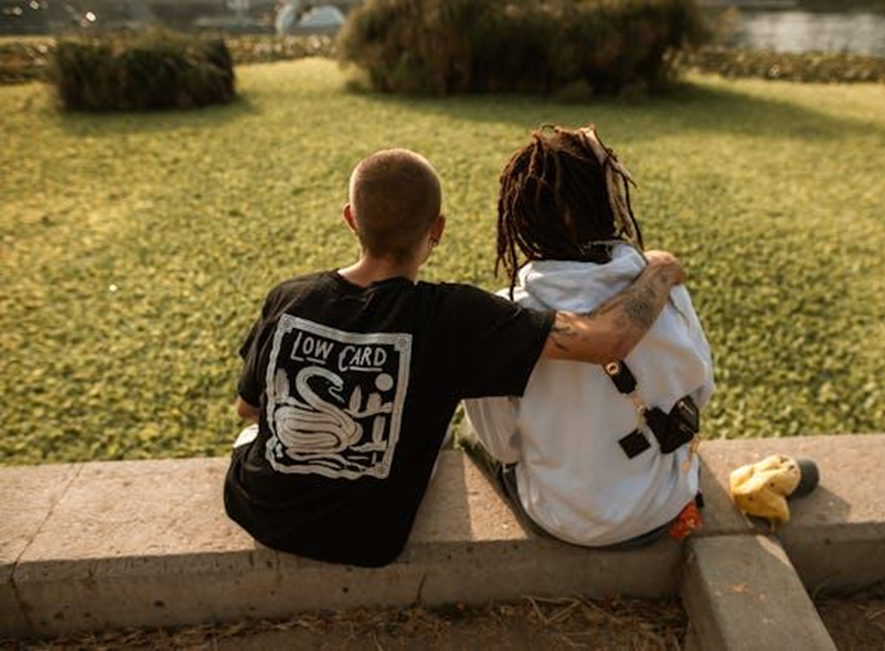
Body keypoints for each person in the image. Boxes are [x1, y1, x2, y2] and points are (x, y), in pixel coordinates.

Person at [223, 148, 686, 567]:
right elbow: (607, 340)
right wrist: (660, 268)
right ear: (437, 229)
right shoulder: (454, 317)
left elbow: (250, 409)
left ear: (350, 218)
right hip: (366, 540)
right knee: (443, 429)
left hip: (257, 509)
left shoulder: (288, 297)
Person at [463, 126, 714, 548]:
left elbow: (503, 447)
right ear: (611, 202)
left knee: (471, 435)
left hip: (562, 518)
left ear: (519, 219)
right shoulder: (661, 286)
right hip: (664, 503)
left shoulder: (504, 317)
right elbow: (701, 391)